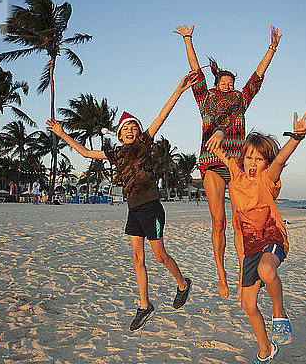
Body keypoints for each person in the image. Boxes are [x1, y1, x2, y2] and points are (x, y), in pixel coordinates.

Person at [46, 72, 197, 331]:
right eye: (125, 128)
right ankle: (144, 305)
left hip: (151, 206)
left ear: (138, 132)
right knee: (137, 258)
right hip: (133, 209)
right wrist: (61, 133)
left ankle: (183, 284)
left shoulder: (144, 144)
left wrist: (179, 91)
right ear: (119, 135)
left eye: (133, 127)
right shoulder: (115, 154)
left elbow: (162, 116)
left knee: (159, 256)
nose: (130, 130)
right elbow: (84, 151)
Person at [174, 24, 282, 299]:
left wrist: (272, 48)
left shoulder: (240, 100)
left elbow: (257, 77)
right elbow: (195, 72)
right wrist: (188, 40)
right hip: (212, 162)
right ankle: (221, 273)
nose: (229, 85)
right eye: (224, 82)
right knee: (218, 221)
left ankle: (242, 268)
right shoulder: (205, 99)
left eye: (232, 83)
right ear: (216, 84)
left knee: (238, 222)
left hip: (238, 165)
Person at [212, 109, 306, 362]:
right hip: (249, 248)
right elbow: (237, 230)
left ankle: (279, 313)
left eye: (259, 159)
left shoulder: (267, 179)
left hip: (272, 239)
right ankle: (266, 348)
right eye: (249, 157)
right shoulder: (236, 179)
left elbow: (280, 160)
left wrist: (296, 137)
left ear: (266, 164)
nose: (252, 163)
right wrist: (215, 143)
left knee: (267, 271)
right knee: (247, 304)